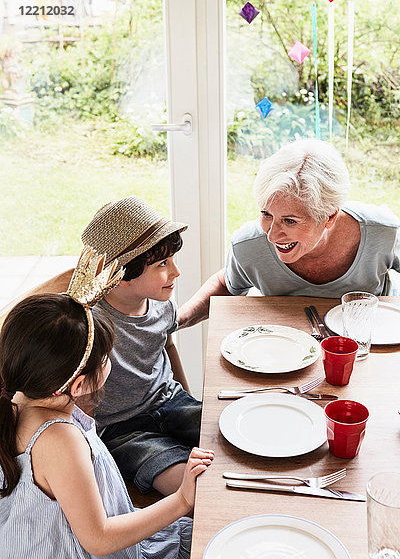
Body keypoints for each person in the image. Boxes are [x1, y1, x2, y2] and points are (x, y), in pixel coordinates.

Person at [0, 248, 214, 559]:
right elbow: (98, 540)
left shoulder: (20, 399)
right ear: (78, 385)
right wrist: (182, 499)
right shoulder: (59, 439)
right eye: (106, 358)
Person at [178, 138, 400, 328]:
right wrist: (174, 321)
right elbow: (226, 285)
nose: (272, 236)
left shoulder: (383, 231)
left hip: (369, 345)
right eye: (266, 214)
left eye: (290, 221)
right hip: (283, 351)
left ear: (330, 217)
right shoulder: (248, 245)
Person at [81, 196, 202, 498]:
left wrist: (187, 397)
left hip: (171, 402)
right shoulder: (90, 325)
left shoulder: (161, 304)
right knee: (194, 488)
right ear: (121, 276)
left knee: (234, 436)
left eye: (173, 260)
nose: (176, 272)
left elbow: (168, 349)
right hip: (123, 430)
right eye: (163, 264)